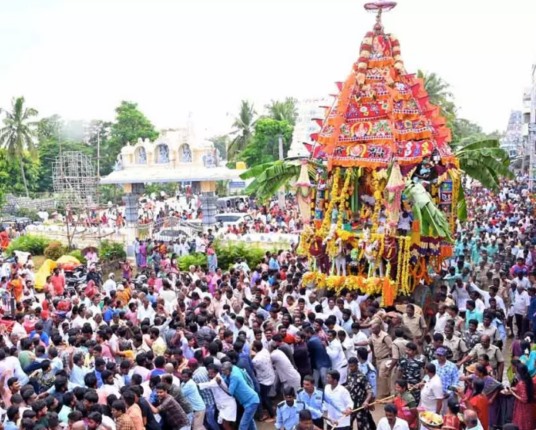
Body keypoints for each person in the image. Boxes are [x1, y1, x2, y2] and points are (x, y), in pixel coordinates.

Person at [219, 362, 259, 430]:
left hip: (251, 401)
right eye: (222, 370)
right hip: (248, 402)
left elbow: (230, 393)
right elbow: (223, 380)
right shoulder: (227, 376)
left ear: (229, 370)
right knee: (249, 422)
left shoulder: (234, 377)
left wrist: (220, 384)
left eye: (224, 370)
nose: (223, 372)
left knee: (242, 426)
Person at [345, 357, 375, 430]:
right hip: (351, 406)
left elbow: (369, 391)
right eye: (349, 366)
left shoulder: (362, 377)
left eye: (352, 366)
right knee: (348, 425)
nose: (351, 368)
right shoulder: (349, 375)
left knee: (362, 427)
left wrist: (366, 401)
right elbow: (349, 387)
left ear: (357, 365)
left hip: (361, 406)